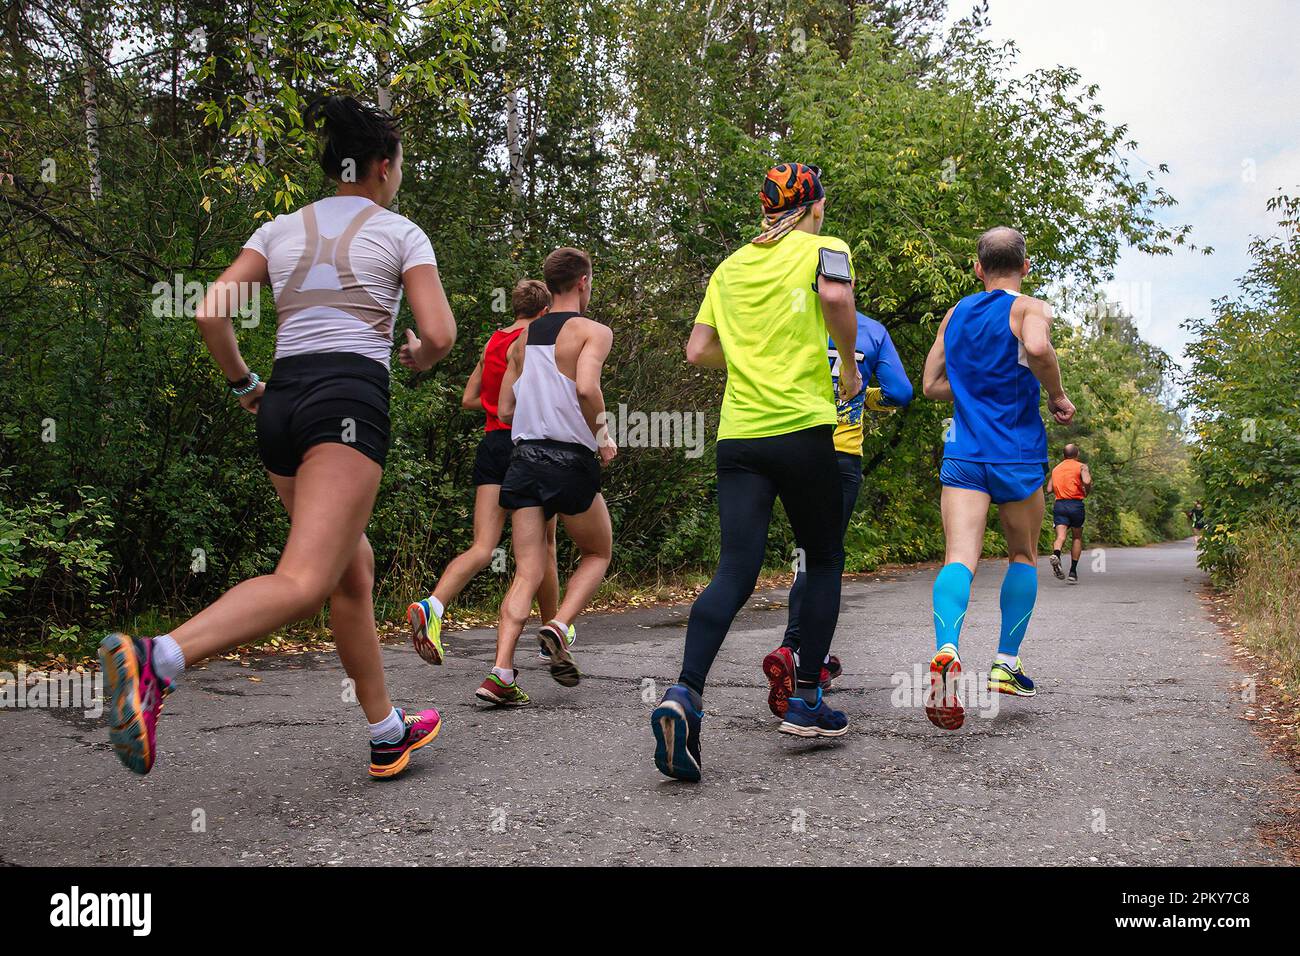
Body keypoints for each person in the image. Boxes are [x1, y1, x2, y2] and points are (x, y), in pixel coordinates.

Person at [98, 95, 456, 779]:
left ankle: (386, 731)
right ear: (383, 166)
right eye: (400, 163)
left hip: (283, 404)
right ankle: (157, 659)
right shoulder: (402, 232)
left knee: (352, 570)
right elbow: (439, 333)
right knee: (303, 578)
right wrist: (418, 357)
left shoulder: (277, 230)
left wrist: (244, 386)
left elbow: (210, 312)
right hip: (346, 402)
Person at [651, 162, 862, 782]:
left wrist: (746, 357)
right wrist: (847, 368)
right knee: (822, 559)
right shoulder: (827, 248)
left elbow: (697, 350)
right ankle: (806, 700)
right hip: (802, 428)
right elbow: (836, 297)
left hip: (739, 436)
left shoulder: (730, 267)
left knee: (736, 569)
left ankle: (685, 692)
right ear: (815, 206)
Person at [921, 226, 1075, 730]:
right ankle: (1007, 664)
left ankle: (947, 649)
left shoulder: (956, 313)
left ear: (977, 268)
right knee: (1023, 554)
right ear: (1025, 267)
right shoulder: (1030, 306)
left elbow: (930, 384)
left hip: (966, 454)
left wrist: (969, 396)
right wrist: (1055, 395)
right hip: (1018, 456)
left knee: (959, 557)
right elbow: (1038, 347)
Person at [406, 279, 576, 684]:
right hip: (527, 445)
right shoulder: (539, 339)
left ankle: (433, 605)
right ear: (545, 309)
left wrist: (492, 405)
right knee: (544, 546)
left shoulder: (492, 342)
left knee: (483, 546)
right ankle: (552, 633)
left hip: (491, 444)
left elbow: (469, 399)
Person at [481, 246, 615, 705]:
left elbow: (503, 407)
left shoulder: (522, 339)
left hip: (524, 460)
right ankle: (558, 625)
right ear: (583, 281)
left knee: (528, 570)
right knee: (597, 551)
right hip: (569, 458)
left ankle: (500, 673)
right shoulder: (592, 331)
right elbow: (586, 387)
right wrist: (603, 436)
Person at [762, 310, 913, 717]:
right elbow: (901, 392)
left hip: (792, 450)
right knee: (823, 560)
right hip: (841, 458)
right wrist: (867, 397)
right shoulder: (872, 331)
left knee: (806, 558)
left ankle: (808, 656)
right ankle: (797, 654)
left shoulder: (793, 319)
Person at [1049, 443, 1092, 584]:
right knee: (1077, 537)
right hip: (1075, 505)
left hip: (1060, 504)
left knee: (1060, 536)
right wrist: (1087, 489)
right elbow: (1087, 481)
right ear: (1077, 454)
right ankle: (1073, 572)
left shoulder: (1056, 469)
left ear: (1064, 455)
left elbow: (1049, 489)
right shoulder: (1081, 466)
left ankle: (1056, 555)